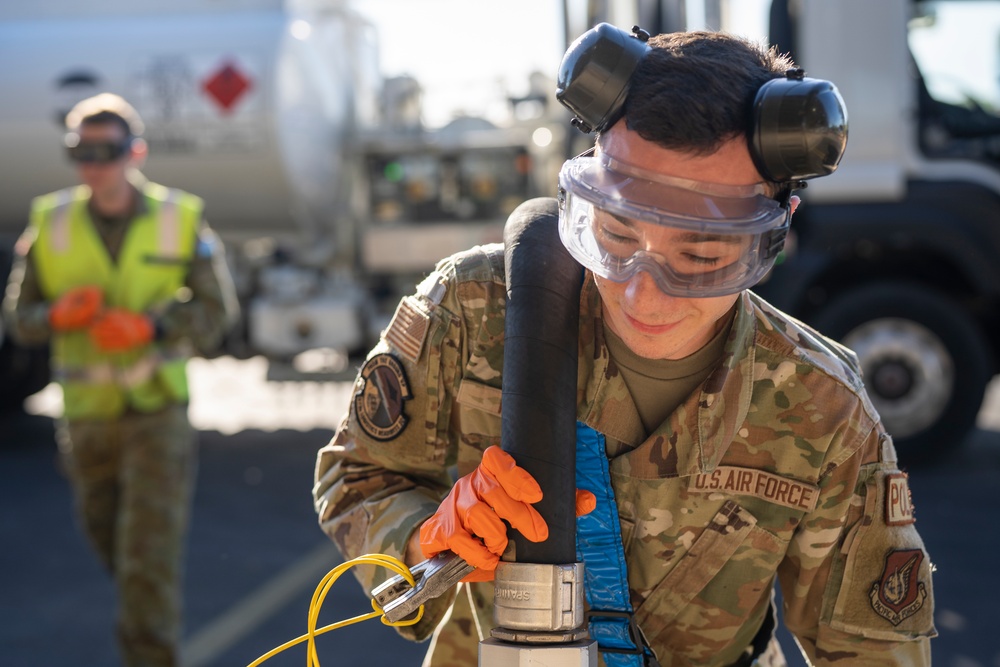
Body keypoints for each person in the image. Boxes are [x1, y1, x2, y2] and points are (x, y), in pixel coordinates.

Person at [313, 28, 935, 667]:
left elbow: (873, 649)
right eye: (614, 234)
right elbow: (356, 475)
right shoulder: (474, 313)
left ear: (773, 236)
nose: (643, 294)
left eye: (699, 255)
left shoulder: (821, 405)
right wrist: (424, 542)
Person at [2, 92, 239, 667]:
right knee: (113, 546)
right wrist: (57, 316)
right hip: (86, 419)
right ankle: (146, 623)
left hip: (156, 413)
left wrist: (151, 325)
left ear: (135, 151)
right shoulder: (49, 221)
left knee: (146, 562)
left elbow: (216, 317)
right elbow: (19, 320)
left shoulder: (179, 216)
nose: (93, 163)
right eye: (80, 151)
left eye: (106, 151)